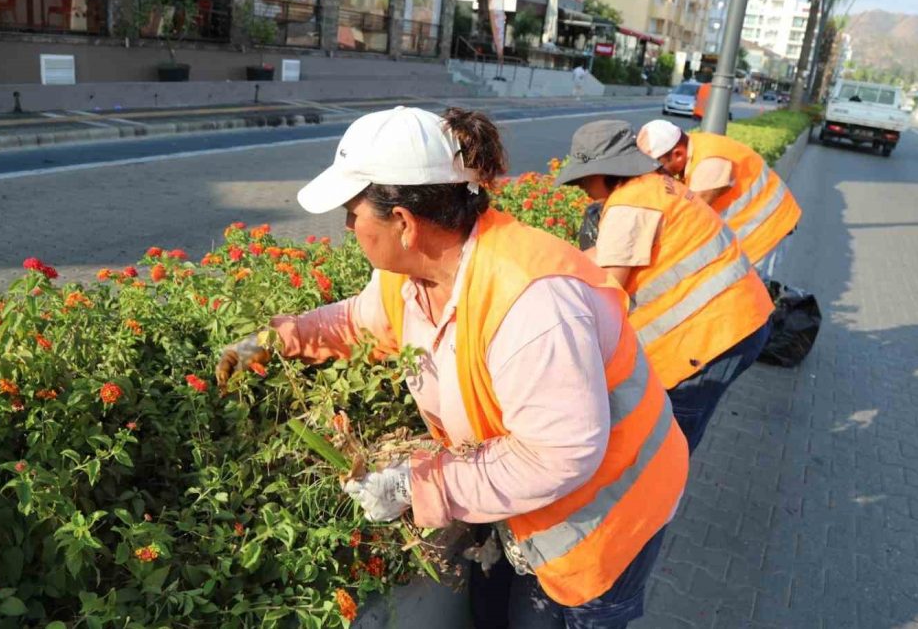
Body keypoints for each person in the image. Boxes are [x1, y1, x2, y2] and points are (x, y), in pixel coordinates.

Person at [216, 106, 688, 628]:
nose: (348, 225)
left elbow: (558, 454)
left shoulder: (532, 302)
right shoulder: (413, 275)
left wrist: (415, 486)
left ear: (402, 222)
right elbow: (359, 321)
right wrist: (274, 339)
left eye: (352, 211)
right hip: (533, 503)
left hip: (606, 516)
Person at [555, 120, 774, 453]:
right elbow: (609, 253)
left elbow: (610, 286)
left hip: (713, 337)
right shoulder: (654, 187)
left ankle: (658, 498)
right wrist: (556, 262)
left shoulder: (631, 204)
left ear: (608, 171)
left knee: (667, 440)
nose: (581, 187)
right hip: (739, 320)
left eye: (585, 177)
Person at [636, 119, 802, 277]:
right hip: (755, 230)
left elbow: (688, 219)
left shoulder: (709, 164)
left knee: (743, 294)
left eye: (658, 167)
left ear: (678, 154)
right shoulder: (693, 147)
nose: (656, 173)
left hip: (766, 231)